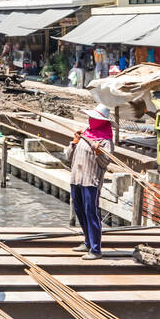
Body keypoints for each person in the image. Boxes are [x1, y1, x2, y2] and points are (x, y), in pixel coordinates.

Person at [66, 103, 115, 261]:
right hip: (76, 178)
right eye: (91, 117)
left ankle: (95, 249)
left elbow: (104, 163)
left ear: (102, 121)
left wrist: (97, 152)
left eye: (94, 118)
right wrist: (74, 142)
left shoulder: (105, 142)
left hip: (90, 181)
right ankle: (87, 241)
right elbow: (68, 156)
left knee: (91, 213)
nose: (91, 120)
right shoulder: (85, 135)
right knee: (79, 210)